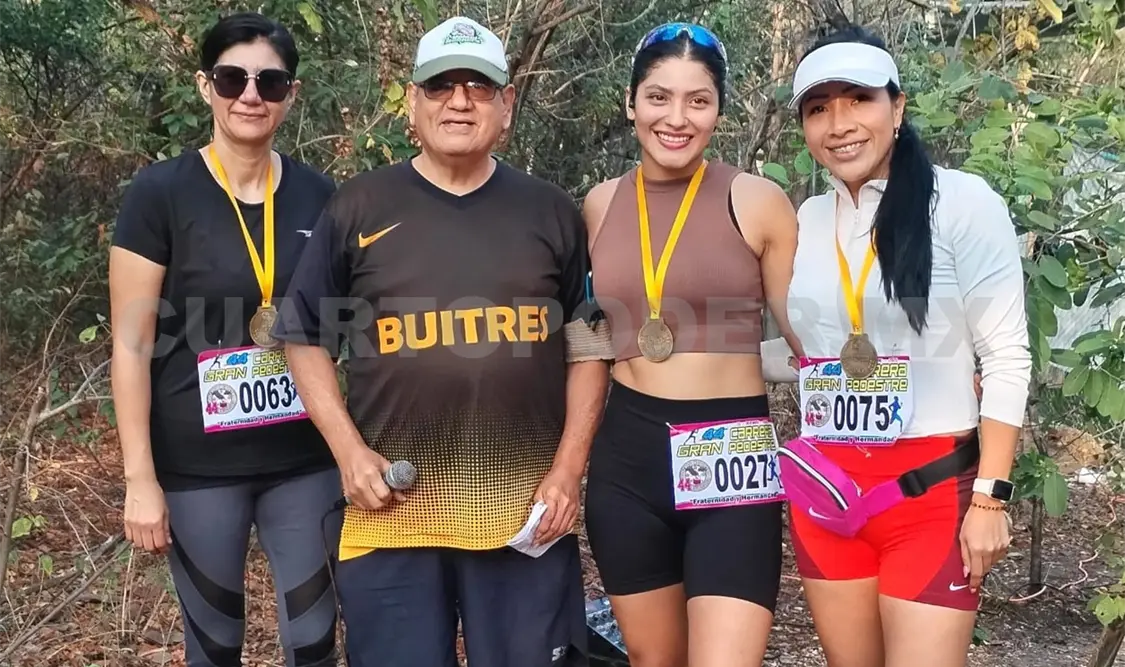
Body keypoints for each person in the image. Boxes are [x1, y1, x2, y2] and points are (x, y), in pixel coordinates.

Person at [273, 15, 613, 667]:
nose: (459, 101)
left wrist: (569, 469)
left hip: (522, 516)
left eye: (478, 86)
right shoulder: (358, 207)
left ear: (506, 104)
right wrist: (348, 453)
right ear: (413, 101)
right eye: (440, 86)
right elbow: (305, 337)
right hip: (391, 512)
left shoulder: (550, 211)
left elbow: (589, 348)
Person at [768, 23, 1030, 667]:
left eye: (859, 99)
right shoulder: (808, 219)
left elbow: (1005, 357)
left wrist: (991, 497)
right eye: (818, 108)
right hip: (828, 491)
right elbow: (808, 351)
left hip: (928, 493)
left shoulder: (961, 203)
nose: (839, 124)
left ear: (898, 106)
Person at [108, 12, 341, 667]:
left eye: (270, 82)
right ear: (204, 84)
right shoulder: (160, 194)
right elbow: (130, 345)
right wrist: (139, 478)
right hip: (196, 466)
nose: (250, 95)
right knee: (213, 646)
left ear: (291, 94)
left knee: (314, 642)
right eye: (233, 78)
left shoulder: (320, 195)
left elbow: (340, 326)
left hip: (303, 457)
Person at [581, 23, 805, 667]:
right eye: (658, 97)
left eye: (697, 100)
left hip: (731, 453)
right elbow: (590, 335)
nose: (676, 118)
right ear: (631, 104)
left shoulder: (757, 201)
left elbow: (808, 334)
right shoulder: (598, 205)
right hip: (628, 460)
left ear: (718, 112)